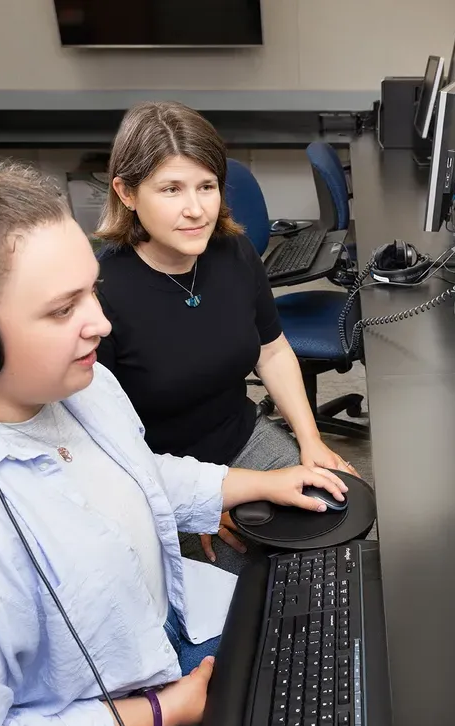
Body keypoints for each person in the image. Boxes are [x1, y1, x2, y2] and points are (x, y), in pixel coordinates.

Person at [0, 160, 347, 726]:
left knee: (333, 635)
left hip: (152, 645)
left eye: (93, 290)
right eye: (63, 309)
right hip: (115, 709)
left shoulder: (74, 385)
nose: (101, 324)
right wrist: (161, 713)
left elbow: (124, 472)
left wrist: (252, 484)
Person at [93, 101, 359, 572]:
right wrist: (195, 506)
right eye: (171, 189)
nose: (196, 210)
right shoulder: (100, 292)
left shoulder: (233, 252)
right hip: (158, 478)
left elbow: (273, 351)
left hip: (243, 439)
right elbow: (103, 448)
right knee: (252, 582)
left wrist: (311, 439)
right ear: (127, 193)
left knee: (343, 516)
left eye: (207, 187)